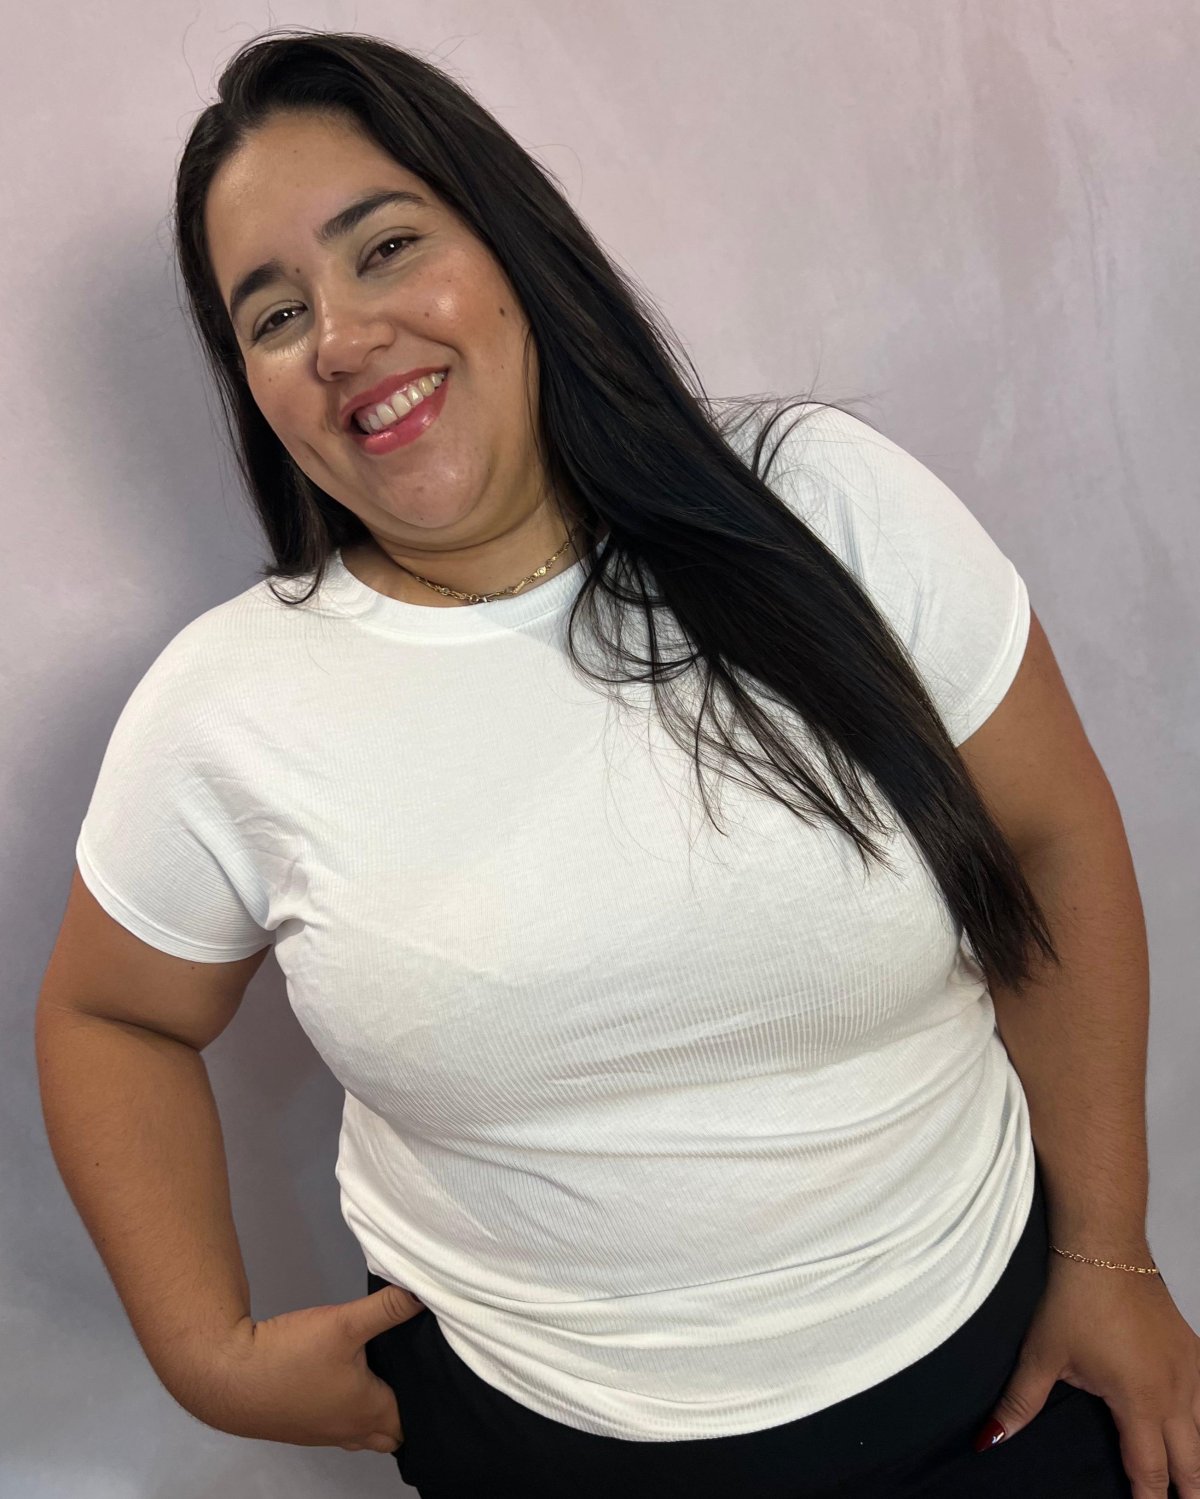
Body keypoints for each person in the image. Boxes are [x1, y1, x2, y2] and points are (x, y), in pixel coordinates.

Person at [37, 27, 1164, 1499]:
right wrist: (205, 1356)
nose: (342, 338)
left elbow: (1054, 838)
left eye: (386, 247)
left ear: (510, 248)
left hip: (999, 1395)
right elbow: (109, 1015)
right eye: (275, 314)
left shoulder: (820, 503)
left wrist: (1110, 1258)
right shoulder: (227, 706)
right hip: (535, 1451)